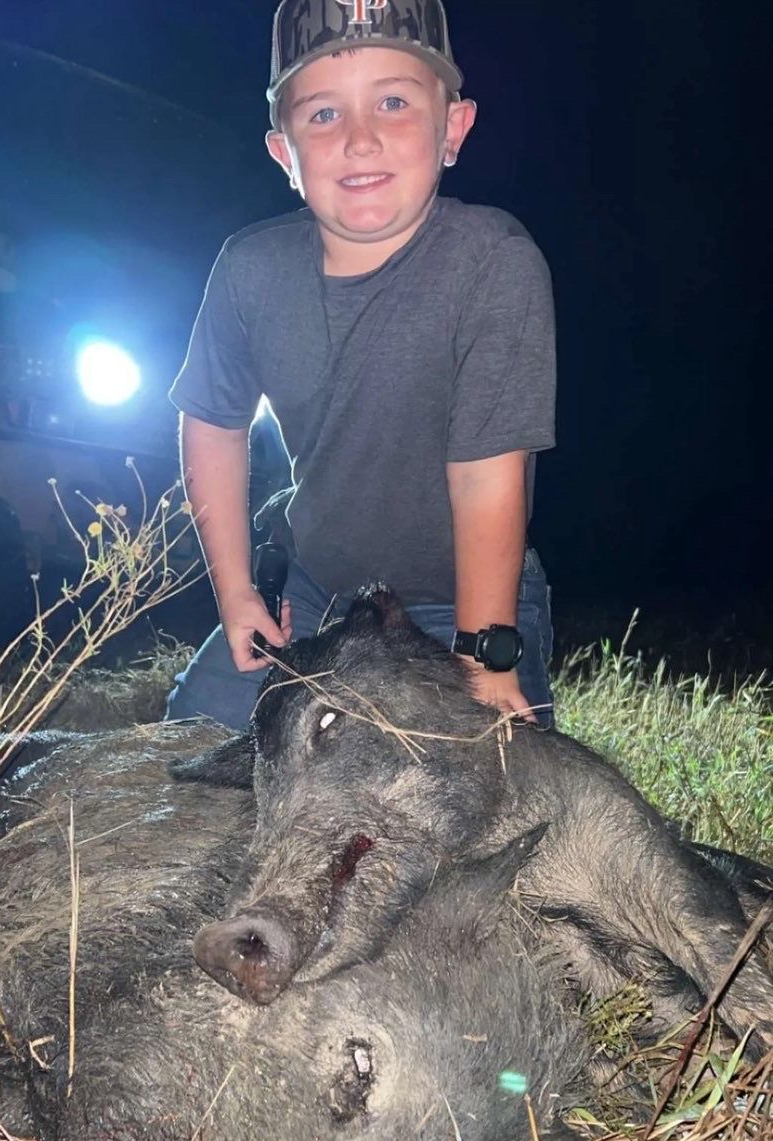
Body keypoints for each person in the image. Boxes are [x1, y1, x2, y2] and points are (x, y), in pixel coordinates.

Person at [166, 0, 556, 729]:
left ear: (454, 129)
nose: (360, 138)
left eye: (394, 101)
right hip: (316, 588)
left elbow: (483, 479)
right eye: (322, 115)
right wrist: (237, 593)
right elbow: (211, 423)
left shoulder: (493, 264)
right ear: (285, 154)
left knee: (490, 789)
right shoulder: (249, 270)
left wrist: (485, 655)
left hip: (463, 597)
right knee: (191, 746)